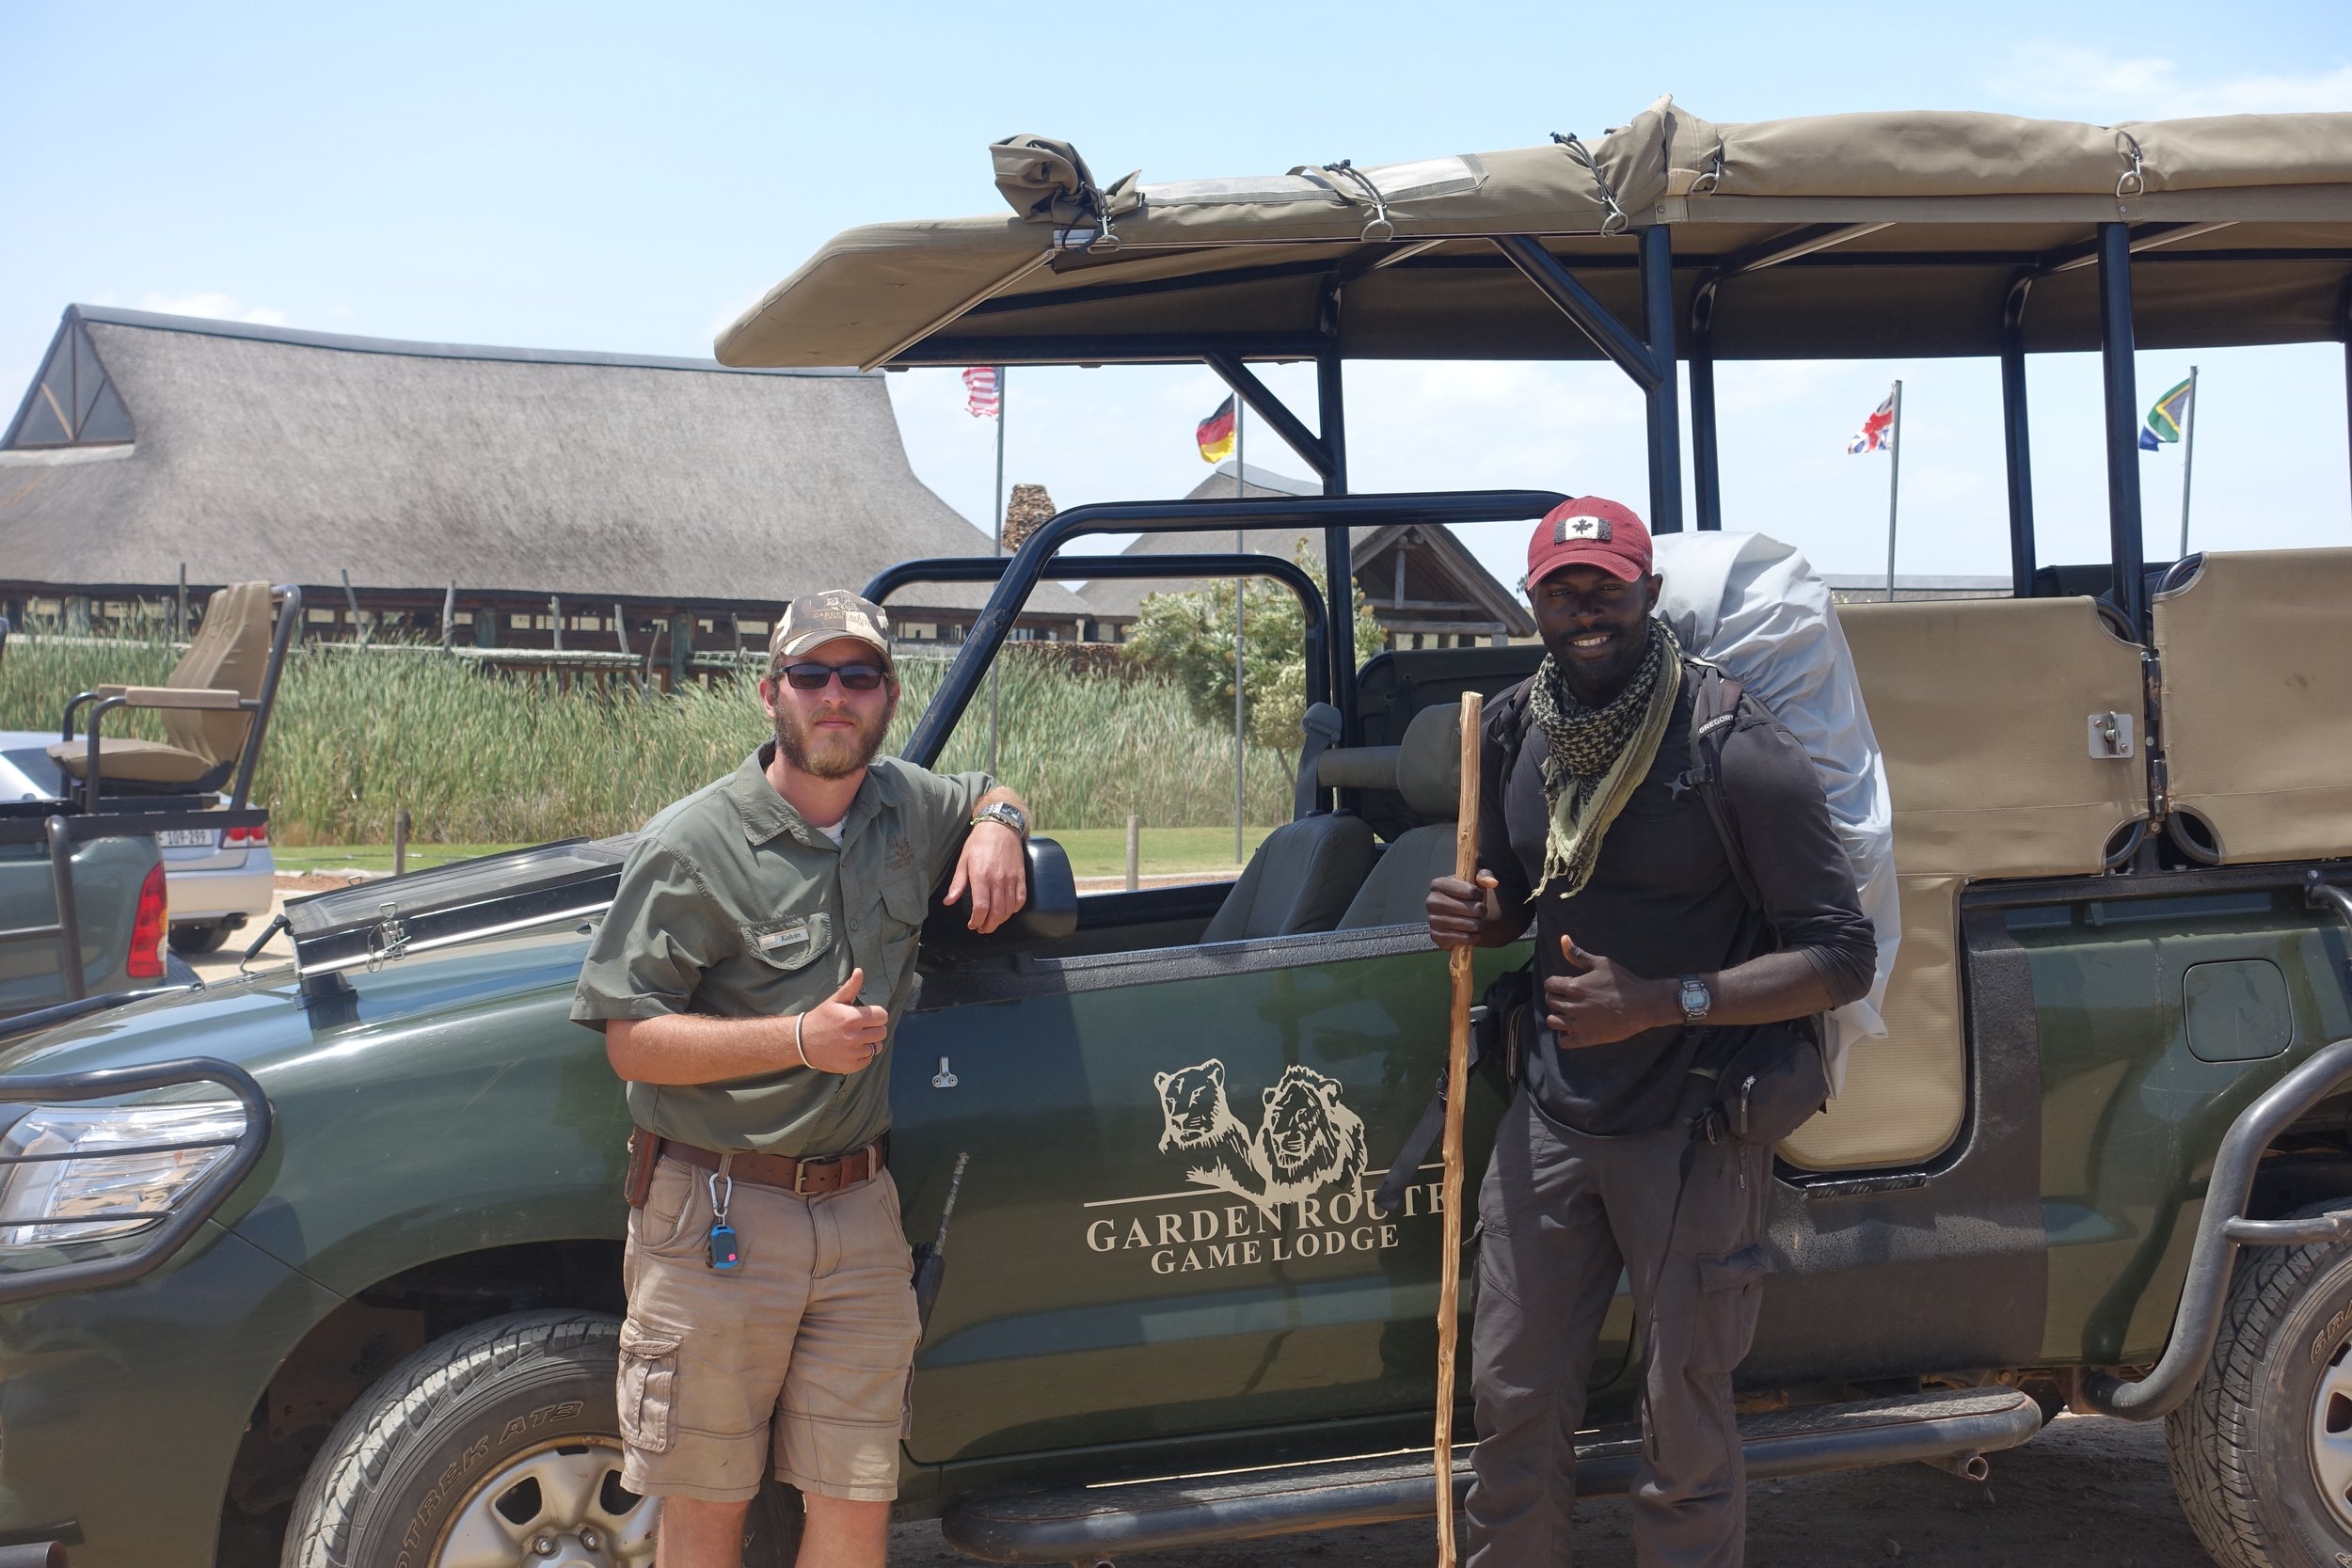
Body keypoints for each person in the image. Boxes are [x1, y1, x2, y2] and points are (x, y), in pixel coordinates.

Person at [1425, 498, 1876, 1568]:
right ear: (1530, 601)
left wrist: (1662, 999)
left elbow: (1838, 956)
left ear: (1648, 593)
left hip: (1690, 1122)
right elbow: (1515, 898)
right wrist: (1479, 916)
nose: (1585, 608)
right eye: (1560, 589)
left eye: (1606, 586)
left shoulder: (1730, 742)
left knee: (1682, 1423)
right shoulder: (1511, 731)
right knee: (1513, 1402)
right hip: (1550, 1115)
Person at [572, 589, 1031, 1568]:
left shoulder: (908, 804)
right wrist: (795, 1038)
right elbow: (630, 1037)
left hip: (860, 1208)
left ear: (886, 694)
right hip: (716, 1207)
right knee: (705, 1507)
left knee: (857, 1502)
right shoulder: (694, 843)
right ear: (769, 692)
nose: (836, 696)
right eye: (812, 675)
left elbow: (994, 785)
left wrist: (997, 822)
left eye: (858, 676)